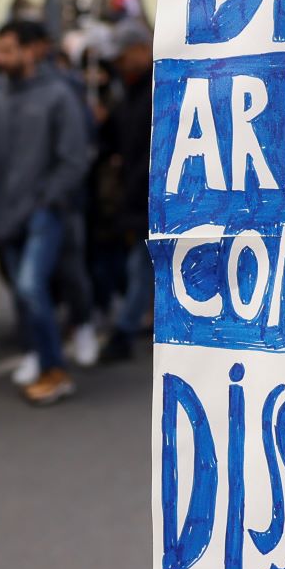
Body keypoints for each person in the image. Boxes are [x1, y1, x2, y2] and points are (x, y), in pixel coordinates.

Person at [0, 18, 93, 406]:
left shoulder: (58, 96)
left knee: (33, 286)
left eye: (9, 49)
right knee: (23, 293)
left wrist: (49, 200)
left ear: (29, 51)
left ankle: (56, 369)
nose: (2, 57)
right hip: (5, 212)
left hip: (44, 212)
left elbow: (74, 159)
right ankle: (38, 355)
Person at [98, 23, 156, 360]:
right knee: (139, 267)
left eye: (122, 57)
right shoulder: (132, 91)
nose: (119, 64)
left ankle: (123, 330)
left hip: (147, 195)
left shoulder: (152, 87)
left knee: (139, 267)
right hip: (137, 194)